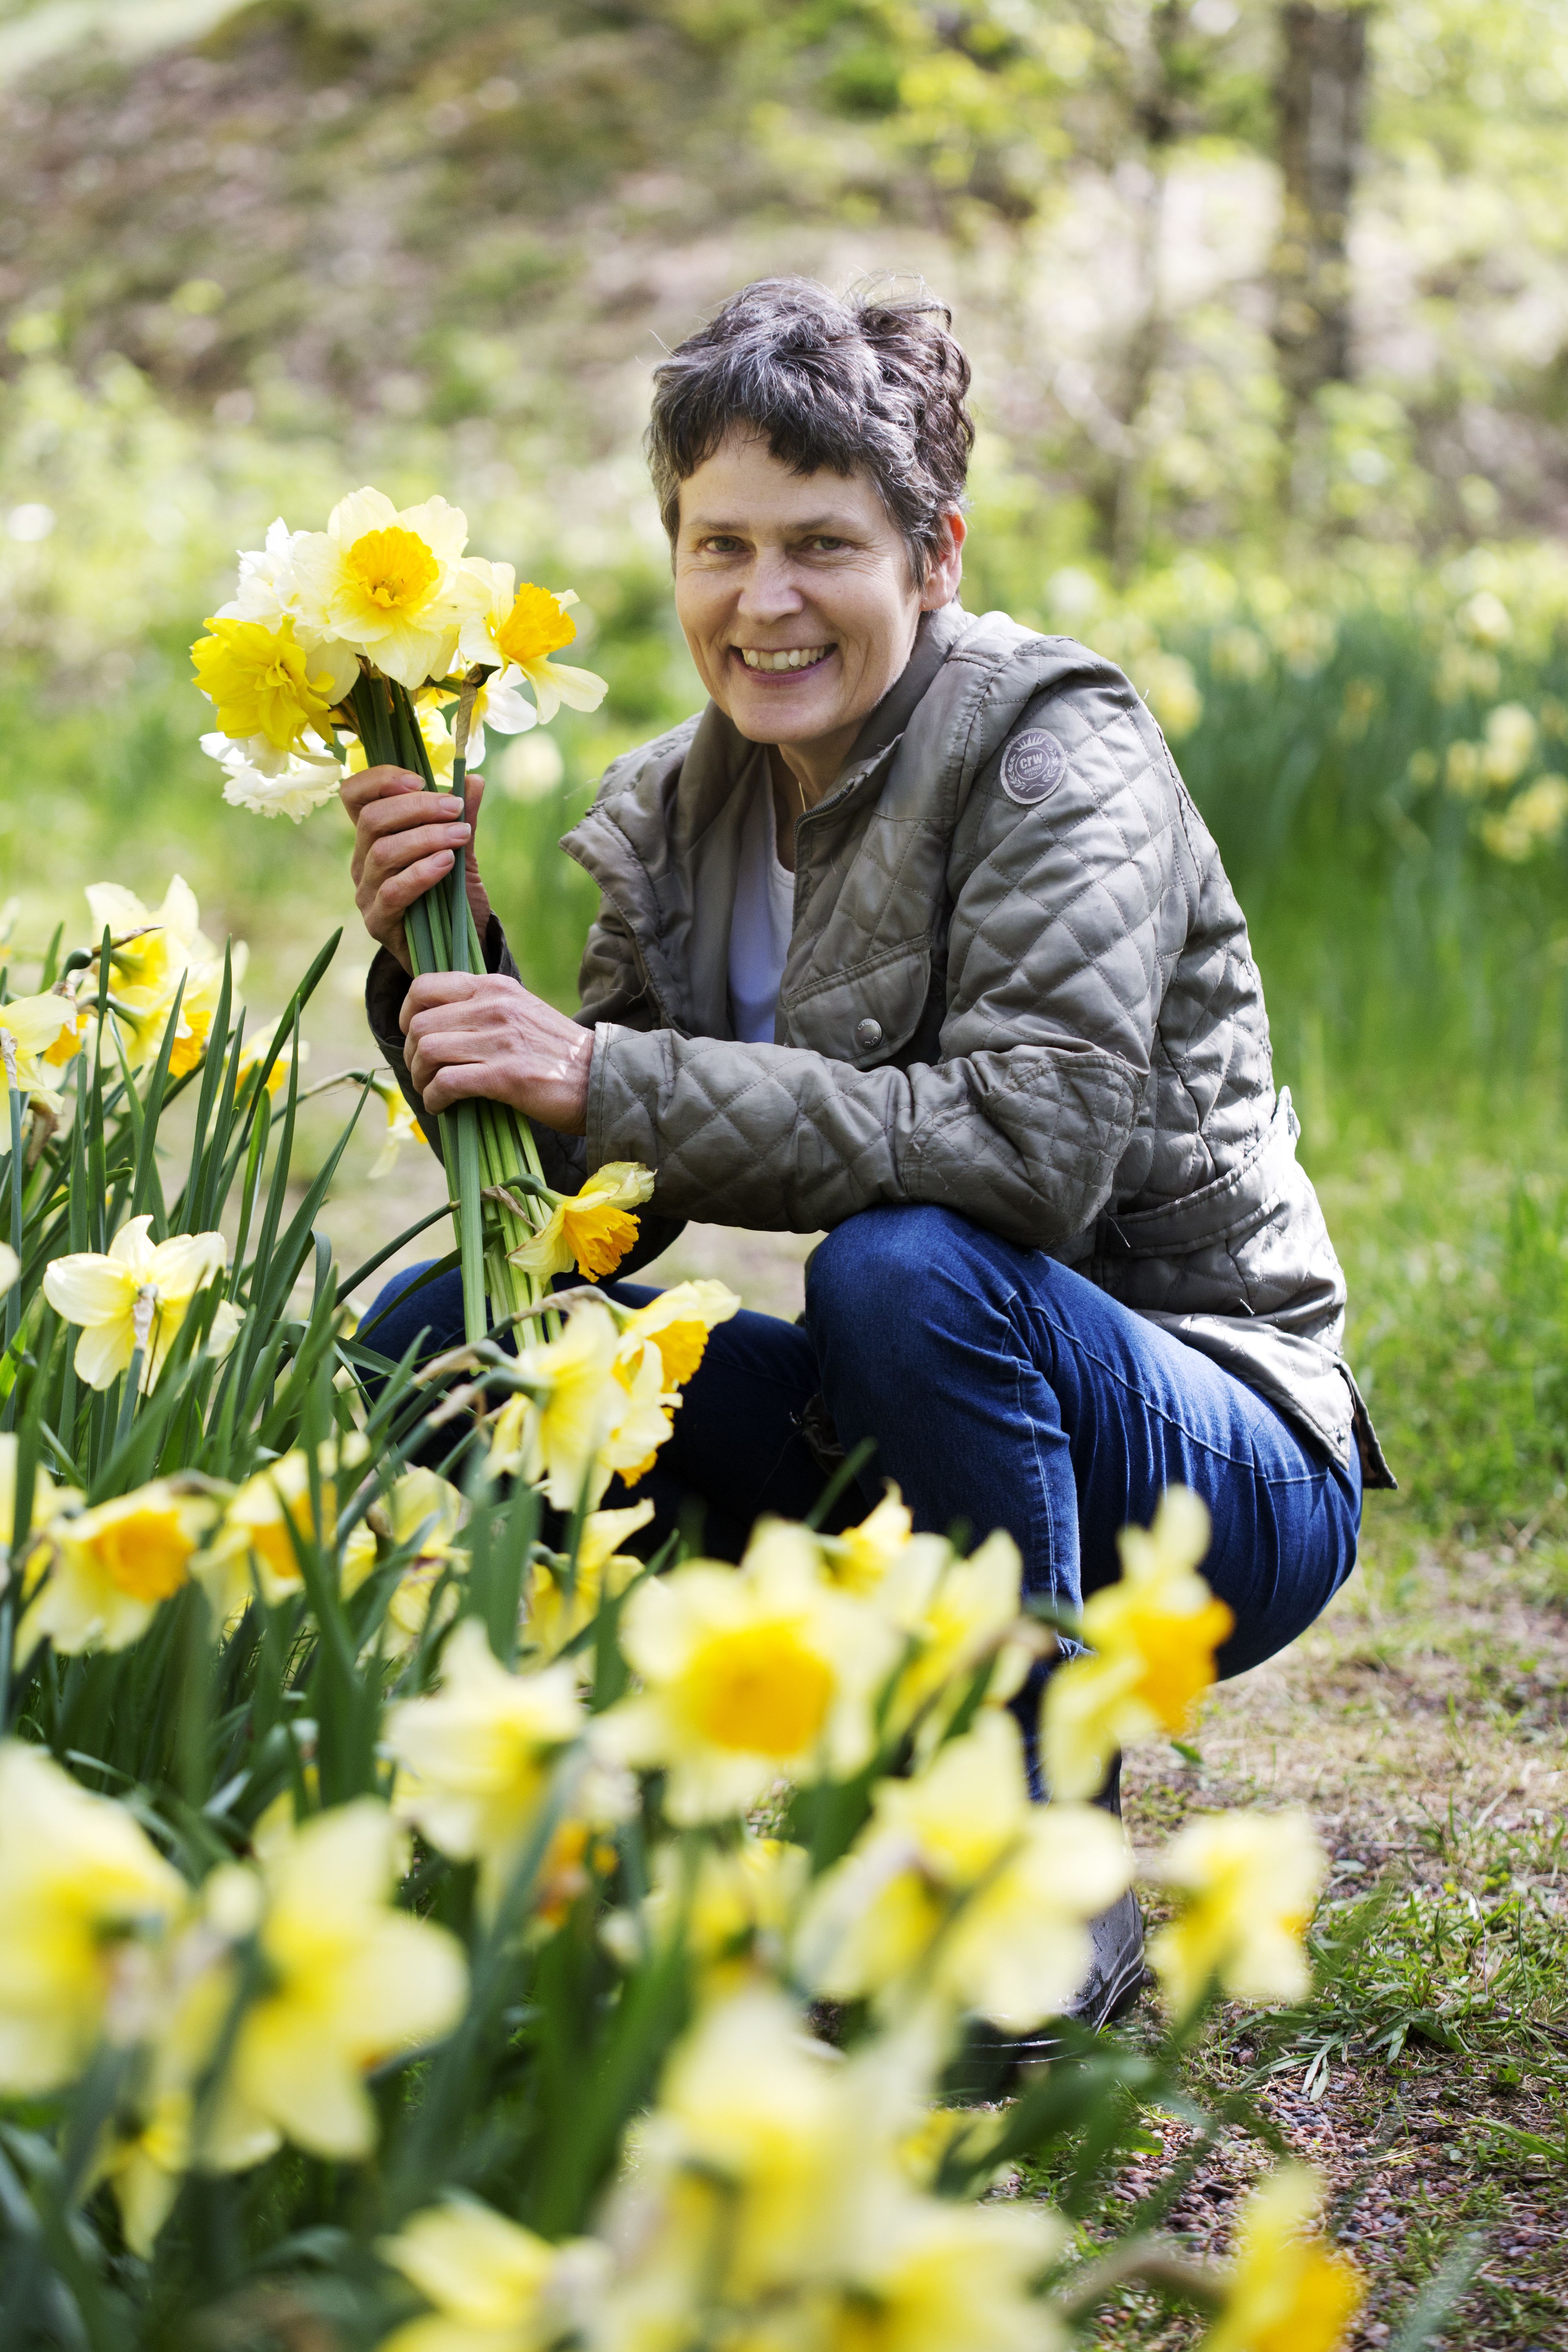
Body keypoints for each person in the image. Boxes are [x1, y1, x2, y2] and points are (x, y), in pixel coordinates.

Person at [345, 277, 1392, 2036]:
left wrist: (599, 1069)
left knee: (903, 1264)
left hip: (1219, 1464)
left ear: (937, 554)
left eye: (821, 543)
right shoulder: (682, 809)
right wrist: (436, 975)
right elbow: (601, 1214)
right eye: (719, 545)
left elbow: (1028, 1155)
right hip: (913, 1427)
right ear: (673, 556)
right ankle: (698, 1794)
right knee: (448, 1331)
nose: (765, 602)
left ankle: (1044, 1893)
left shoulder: (1063, 751)